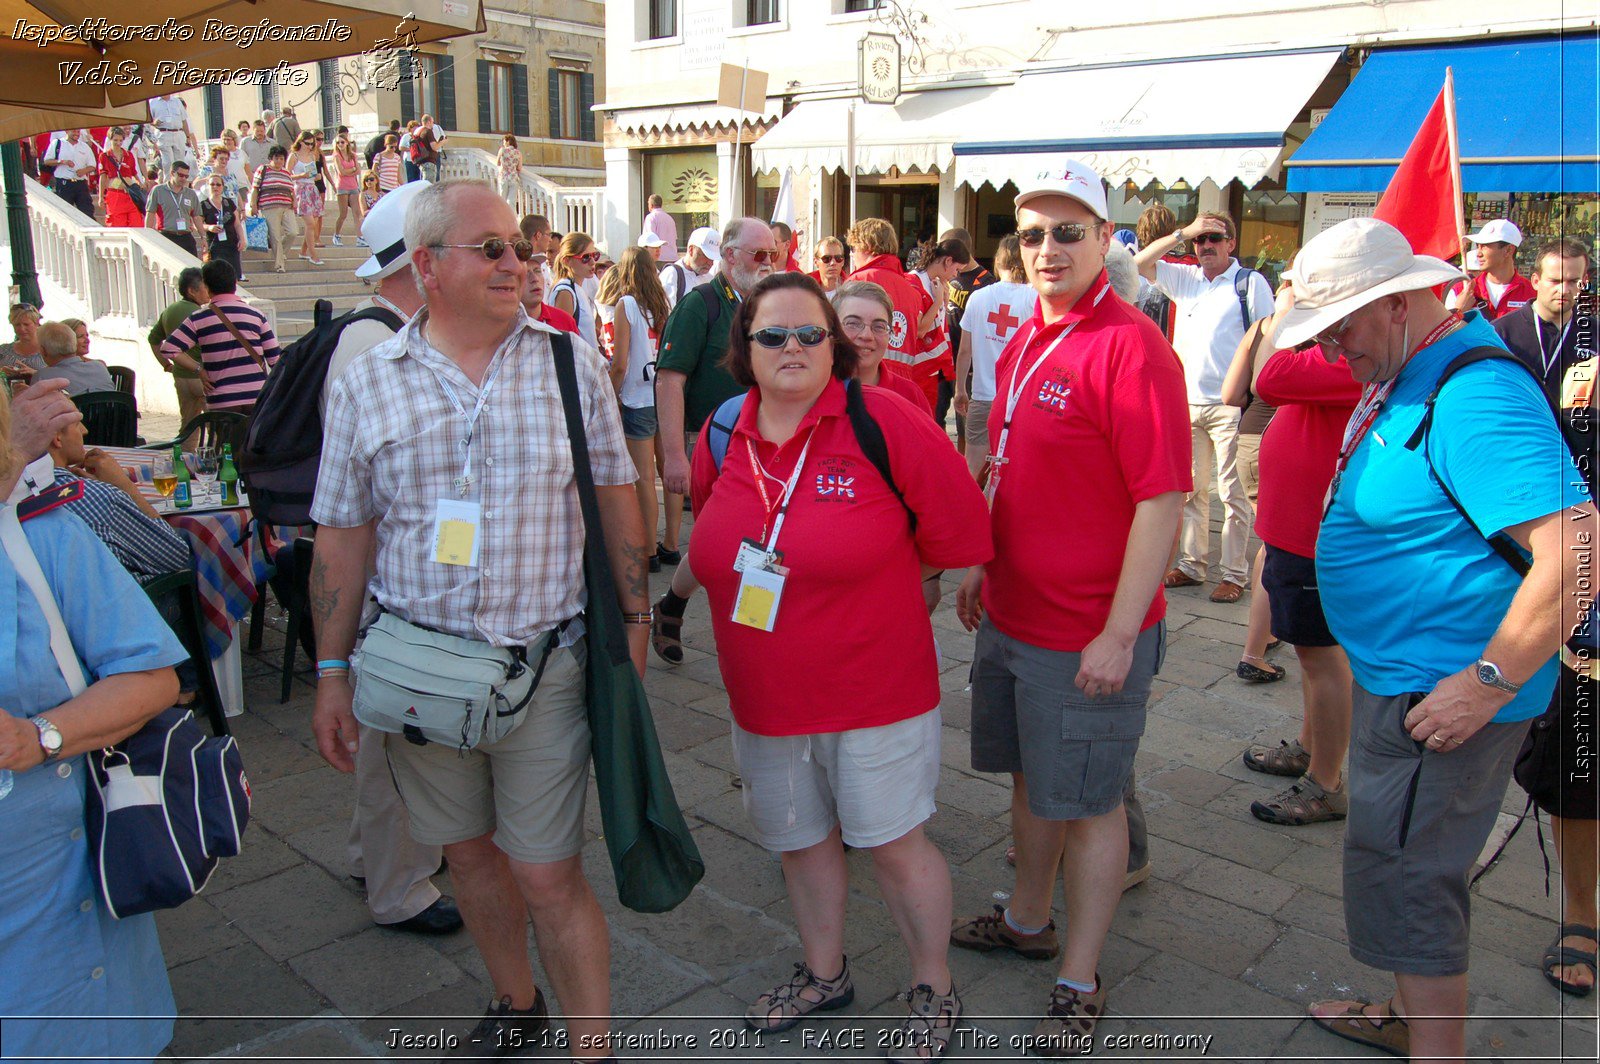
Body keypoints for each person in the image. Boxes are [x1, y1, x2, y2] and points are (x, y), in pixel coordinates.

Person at [309, 177, 647, 1059]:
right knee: (467, 858)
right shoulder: (368, 380)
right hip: (421, 676)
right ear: (427, 266)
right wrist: (330, 673)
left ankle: (591, 1048)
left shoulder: (568, 360)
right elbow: (341, 536)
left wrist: (639, 624)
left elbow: (615, 495)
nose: (517, 263)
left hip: (546, 666)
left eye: (520, 247)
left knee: (547, 873)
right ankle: (514, 1003)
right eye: (491, 247)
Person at [1266, 217, 1596, 1063]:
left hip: (1441, 693)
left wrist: (1486, 681)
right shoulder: (1422, 364)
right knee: (1398, 868)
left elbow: (1579, 549)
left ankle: (1433, 1047)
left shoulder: (1474, 392)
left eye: (1343, 325)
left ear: (1402, 302)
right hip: (1406, 681)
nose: (1334, 347)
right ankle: (1410, 1014)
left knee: (1415, 884)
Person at [689, 271, 990, 1058]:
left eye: (809, 334)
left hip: (874, 691)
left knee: (893, 844)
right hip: (764, 695)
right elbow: (704, 536)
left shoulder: (884, 419)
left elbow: (960, 529)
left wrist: (880, 578)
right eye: (772, 335)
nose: (792, 348)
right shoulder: (724, 433)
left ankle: (934, 986)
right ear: (743, 349)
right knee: (800, 840)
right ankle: (826, 974)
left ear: (837, 345)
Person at [950, 160, 1190, 1055]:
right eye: (1035, 232)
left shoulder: (1133, 346)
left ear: (1106, 239)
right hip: (1012, 612)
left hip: (1087, 630)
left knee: (1091, 806)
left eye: (1070, 231)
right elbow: (1012, 467)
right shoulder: (1023, 338)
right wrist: (982, 561)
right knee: (1029, 783)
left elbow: (1162, 500)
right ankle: (1026, 921)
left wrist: (1120, 633)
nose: (1048, 249)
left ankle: (1078, 975)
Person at [0, 392, 189, 1064]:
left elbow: (155, 673)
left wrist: (37, 736)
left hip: (47, 896)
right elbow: (175, 551)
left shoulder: (39, 528)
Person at [1492, 237, 1600, 996]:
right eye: (1556, 279)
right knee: (1578, 757)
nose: (1567, 291)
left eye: (1577, 280)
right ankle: (1583, 911)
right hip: (1560, 548)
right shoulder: (1505, 334)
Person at [1223, 288, 1360, 827]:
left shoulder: (1353, 361)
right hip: (1297, 532)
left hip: (1313, 536)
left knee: (1322, 659)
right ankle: (1311, 749)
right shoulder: (1339, 357)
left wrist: (1285, 313)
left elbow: (1271, 376)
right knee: (1310, 654)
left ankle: (1326, 781)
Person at [652, 218, 778, 663]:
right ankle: (727, 625)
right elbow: (669, 380)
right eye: (758, 255)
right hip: (714, 447)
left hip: (769, 447)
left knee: (758, 539)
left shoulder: (770, 305)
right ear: (728, 256)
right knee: (723, 542)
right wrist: (672, 457)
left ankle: (681, 608)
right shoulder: (700, 305)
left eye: (773, 255)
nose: (768, 264)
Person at [1134, 212, 1274, 604]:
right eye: (1201, 240)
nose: (1206, 246)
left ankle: (1234, 573)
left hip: (1230, 404)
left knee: (1233, 495)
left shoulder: (1249, 283)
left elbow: (1267, 336)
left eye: (1215, 238)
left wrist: (1256, 396)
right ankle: (1193, 564)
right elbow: (1137, 265)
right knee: (1191, 490)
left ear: (1231, 243)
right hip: (1187, 401)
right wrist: (1183, 232)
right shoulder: (1186, 278)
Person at [596, 247, 674, 573]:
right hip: (662, 394)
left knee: (643, 478)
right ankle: (670, 543)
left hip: (636, 397)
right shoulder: (662, 306)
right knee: (667, 472)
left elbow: (620, 362)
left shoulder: (625, 305)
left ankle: (648, 550)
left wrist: (609, 396)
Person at [44, 418, 192, 578]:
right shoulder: (92, 496)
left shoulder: (20, 486)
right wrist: (124, 486)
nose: (84, 429)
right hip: (130, 597)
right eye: (76, 422)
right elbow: (175, 555)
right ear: (57, 436)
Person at [953, 235, 1037, 479]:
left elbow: (964, 351)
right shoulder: (1035, 299)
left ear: (998, 262)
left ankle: (970, 516)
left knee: (972, 470)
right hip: (1017, 399)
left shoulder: (978, 298)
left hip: (982, 395)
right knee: (1016, 472)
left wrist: (960, 389)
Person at [159, 260, 280, 413]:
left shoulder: (198, 318)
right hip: (257, 397)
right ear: (235, 283)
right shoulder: (256, 315)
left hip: (221, 400)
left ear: (207, 287)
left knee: (225, 437)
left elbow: (169, 349)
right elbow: (275, 360)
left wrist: (199, 369)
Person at [846, 217, 938, 409]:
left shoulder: (856, 283)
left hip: (862, 385)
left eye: (853, 249)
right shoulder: (911, 289)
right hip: (901, 389)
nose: (852, 256)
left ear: (868, 246)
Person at [834, 280, 933, 417]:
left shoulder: (910, 395)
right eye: (853, 323)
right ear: (833, 329)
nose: (867, 335)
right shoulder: (812, 392)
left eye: (879, 326)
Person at [912, 237, 966, 434]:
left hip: (931, 371)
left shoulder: (936, 283)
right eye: (957, 269)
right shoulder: (914, 282)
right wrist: (937, 303)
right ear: (948, 261)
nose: (955, 275)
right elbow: (918, 330)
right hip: (917, 372)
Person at [149, 267, 209, 426]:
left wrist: (166, 364)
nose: (208, 291)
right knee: (215, 427)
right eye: (205, 287)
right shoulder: (202, 314)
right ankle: (213, 452)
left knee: (188, 426)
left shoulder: (169, 311)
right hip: (203, 377)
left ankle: (185, 451)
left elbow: (154, 340)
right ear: (192, 291)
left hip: (181, 376)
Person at [1451, 219, 1536, 321]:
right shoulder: (1460, 291)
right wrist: (1459, 311)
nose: (1478, 253)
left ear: (1508, 250)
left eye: (1484, 246)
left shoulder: (1533, 293)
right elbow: (1442, 335)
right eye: (1478, 246)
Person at [247, 145, 298, 274]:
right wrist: (253, 205)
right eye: (276, 158)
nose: (279, 161)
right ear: (271, 158)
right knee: (275, 236)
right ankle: (280, 265)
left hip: (287, 206)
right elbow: (255, 188)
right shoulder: (263, 169)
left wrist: (295, 202)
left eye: (281, 158)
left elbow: (291, 189)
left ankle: (281, 254)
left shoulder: (286, 172)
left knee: (293, 232)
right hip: (269, 206)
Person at [551, 232, 602, 353]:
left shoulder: (578, 288)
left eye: (594, 255)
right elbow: (562, 341)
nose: (592, 262)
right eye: (585, 257)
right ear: (566, 261)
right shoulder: (565, 292)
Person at [144, 160, 206, 257]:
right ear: (172, 173)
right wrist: (148, 235)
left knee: (191, 268)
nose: (184, 179)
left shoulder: (190, 193)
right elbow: (150, 213)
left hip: (186, 236)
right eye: (181, 175)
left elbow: (196, 217)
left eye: (186, 176)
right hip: (166, 235)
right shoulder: (158, 190)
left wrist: (203, 236)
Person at [32, 322, 113, 396]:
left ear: (43, 351)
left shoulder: (43, 378)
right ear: (74, 344)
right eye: (81, 336)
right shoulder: (99, 366)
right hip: (111, 412)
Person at [199, 171, 245, 284]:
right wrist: (209, 227)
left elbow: (237, 224)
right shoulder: (203, 205)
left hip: (231, 243)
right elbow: (198, 225)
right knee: (218, 276)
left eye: (218, 184)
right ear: (208, 186)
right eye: (212, 184)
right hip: (215, 245)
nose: (215, 187)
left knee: (234, 274)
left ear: (222, 187)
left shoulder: (229, 203)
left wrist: (242, 239)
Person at [519, 245, 576, 334]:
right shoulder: (503, 325)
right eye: (526, 273)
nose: (535, 279)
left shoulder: (564, 320)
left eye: (537, 271)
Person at [43, 129, 98, 218]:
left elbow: (92, 165)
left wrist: (84, 171)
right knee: (64, 213)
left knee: (87, 212)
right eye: (74, 131)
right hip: (64, 183)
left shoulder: (84, 146)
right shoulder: (57, 143)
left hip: (81, 183)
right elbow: (47, 161)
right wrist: (62, 161)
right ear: (67, 131)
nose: (76, 134)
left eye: (78, 132)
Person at [659, 226, 719, 307]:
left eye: (713, 258)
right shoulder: (671, 275)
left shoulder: (710, 279)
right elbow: (666, 313)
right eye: (706, 257)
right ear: (691, 250)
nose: (710, 263)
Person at [290, 133, 326, 265]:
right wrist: (301, 175)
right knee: (310, 224)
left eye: (312, 144)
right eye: (307, 143)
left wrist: (316, 176)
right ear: (300, 142)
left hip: (312, 188)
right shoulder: (294, 156)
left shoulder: (312, 156)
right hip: (300, 189)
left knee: (313, 223)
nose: (310, 146)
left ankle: (303, 251)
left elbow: (315, 173)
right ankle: (313, 254)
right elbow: (287, 175)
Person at [98, 126, 143, 228]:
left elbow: (134, 172)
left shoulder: (128, 155)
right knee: (117, 225)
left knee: (137, 224)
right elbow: (102, 176)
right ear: (110, 140)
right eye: (115, 140)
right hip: (115, 194)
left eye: (120, 140)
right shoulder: (105, 156)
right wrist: (101, 196)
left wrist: (140, 182)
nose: (118, 143)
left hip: (130, 195)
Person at [147, 92, 195, 175]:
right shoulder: (153, 102)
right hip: (163, 133)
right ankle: (168, 184)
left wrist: (187, 137)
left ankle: (179, 183)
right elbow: (147, 120)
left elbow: (184, 120)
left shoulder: (177, 101)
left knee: (180, 162)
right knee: (168, 162)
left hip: (178, 133)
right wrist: (154, 123)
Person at [329, 134, 362, 245]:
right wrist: (351, 169)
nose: (340, 145)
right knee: (343, 214)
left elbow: (358, 171)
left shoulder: (353, 155)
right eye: (338, 143)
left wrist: (350, 170)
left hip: (353, 186)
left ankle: (359, 237)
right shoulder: (336, 156)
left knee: (357, 213)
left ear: (347, 143)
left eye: (342, 142)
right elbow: (341, 172)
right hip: (342, 187)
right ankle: (337, 235)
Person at [1, 303, 47, 380]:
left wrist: (35, 373)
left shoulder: (49, 350)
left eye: (26, 324)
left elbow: (61, 376)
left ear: (37, 324)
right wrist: (1, 372)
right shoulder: (3, 350)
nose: (22, 329)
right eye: (17, 325)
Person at [644, 193, 679, 262]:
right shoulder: (670, 218)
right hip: (672, 257)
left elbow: (650, 239)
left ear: (651, 205)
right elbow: (674, 238)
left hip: (658, 258)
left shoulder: (651, 217)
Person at [410, 114, 441, 183]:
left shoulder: (418, 132)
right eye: (432, 122)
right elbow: (434, 147)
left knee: (424, 185)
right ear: (429, 122)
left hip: (422, 162)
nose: (433, 124)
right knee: (429, 186)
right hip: (429, 162)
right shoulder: (428, 131)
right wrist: (442, 142)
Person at [496, 134, 523, 203]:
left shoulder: (502, 150)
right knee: (511, 201)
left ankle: (502, 213)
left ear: (508, 141)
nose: (503, 143)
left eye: (504, 141)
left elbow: (498, 163)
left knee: (502, 200)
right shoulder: (518, 153)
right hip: (513, 177)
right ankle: (511, 213)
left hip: (503, 177)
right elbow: (519, 168)